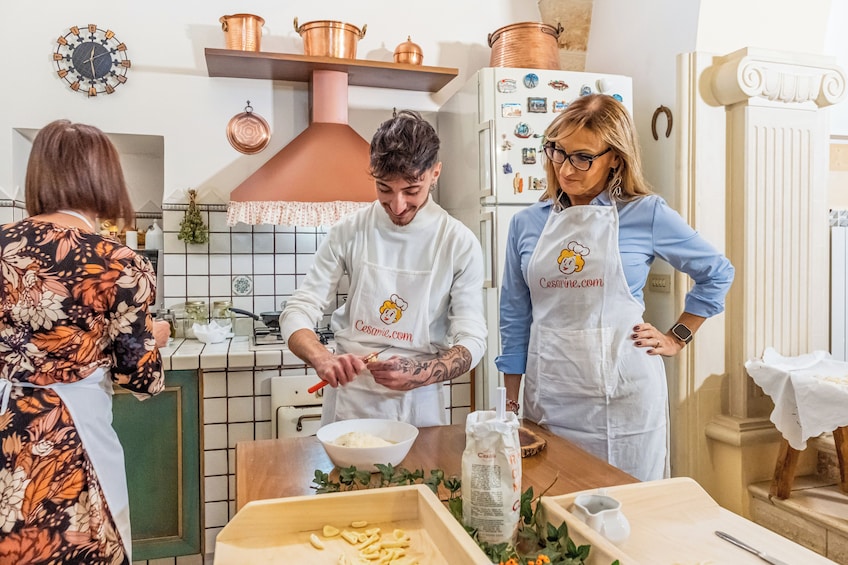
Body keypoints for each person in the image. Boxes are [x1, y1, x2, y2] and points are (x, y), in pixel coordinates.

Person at [495, 94, 734, 481]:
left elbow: (717, 272)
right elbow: (515, 315)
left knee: (628, 514)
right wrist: (509, 398)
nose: (566, 168)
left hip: (623, 405)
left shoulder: (646, 214)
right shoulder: (526, 224)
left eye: (582, 157)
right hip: (549, 399)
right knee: (550, 514)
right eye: (558, 151)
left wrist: (677, 336)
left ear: (616, 159)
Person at [0, 120, 171, 564]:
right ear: (106, 179)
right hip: (66, 435)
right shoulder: (116, 261)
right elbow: (141, 378)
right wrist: (154, 337)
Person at [280, 110, 487, 427]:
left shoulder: (458, 242)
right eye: (384, 189)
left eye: (412, 190)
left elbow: (473, 339)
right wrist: (322, 357)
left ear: (435, 173)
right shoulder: (349, 231)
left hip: (420, 405)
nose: (398, 205)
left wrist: (419, 373)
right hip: (350, 400)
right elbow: (299, 308)